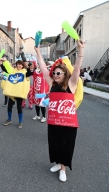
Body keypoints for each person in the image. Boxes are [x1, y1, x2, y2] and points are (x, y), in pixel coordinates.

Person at [34, 39, 85, 182]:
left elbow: (77, 68)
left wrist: (80, 50)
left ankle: (63, 169)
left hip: (68, 123)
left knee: (65, 145)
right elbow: (43, 68)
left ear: (64, 74)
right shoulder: (52, 84)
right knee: (55, 143)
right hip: (54, 121)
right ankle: (58, 163)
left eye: (59, 73)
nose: (55, 75)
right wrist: (38, 52)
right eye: (55, 73)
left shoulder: (72, 84)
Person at [1, 59, 33, 129]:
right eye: (17, 64)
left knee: (19, 108)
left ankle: (20, 122)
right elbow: (5, 69)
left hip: (19, 93)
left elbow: (29, 73)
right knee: (9, 106)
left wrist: (27, 67)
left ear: (22, 65)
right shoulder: (12, 71)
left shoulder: (24, 72)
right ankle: (9, 119)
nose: (18, 65)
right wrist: (2, 63)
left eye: (20, 64)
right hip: (12, 92)